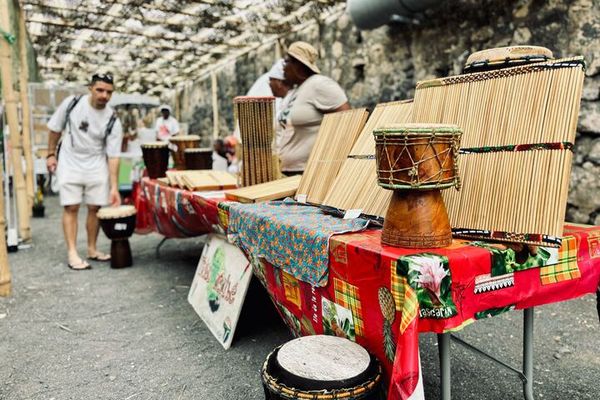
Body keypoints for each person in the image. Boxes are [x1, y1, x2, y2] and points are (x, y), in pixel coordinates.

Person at [46, 73, 123, 270]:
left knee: (95, 208)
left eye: (109, 92)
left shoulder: (113, 119)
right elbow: (55, 129)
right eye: (100, 90)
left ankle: (92, 248)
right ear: (90, 88)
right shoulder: (72, 104)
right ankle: (72, 252)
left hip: (96, 162)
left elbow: (113, 156)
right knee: (71, 207)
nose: (104, 95)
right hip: (70, 159)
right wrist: (50, 154)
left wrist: (114, 187)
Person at [279, 41, 350, 175]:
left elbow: (349, 121)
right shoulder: (296, 90)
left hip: (310, 172)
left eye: (286, 62)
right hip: (290, 172)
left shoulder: (320, 84)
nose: (283, 68)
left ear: (297, 65)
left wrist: (332, 161)